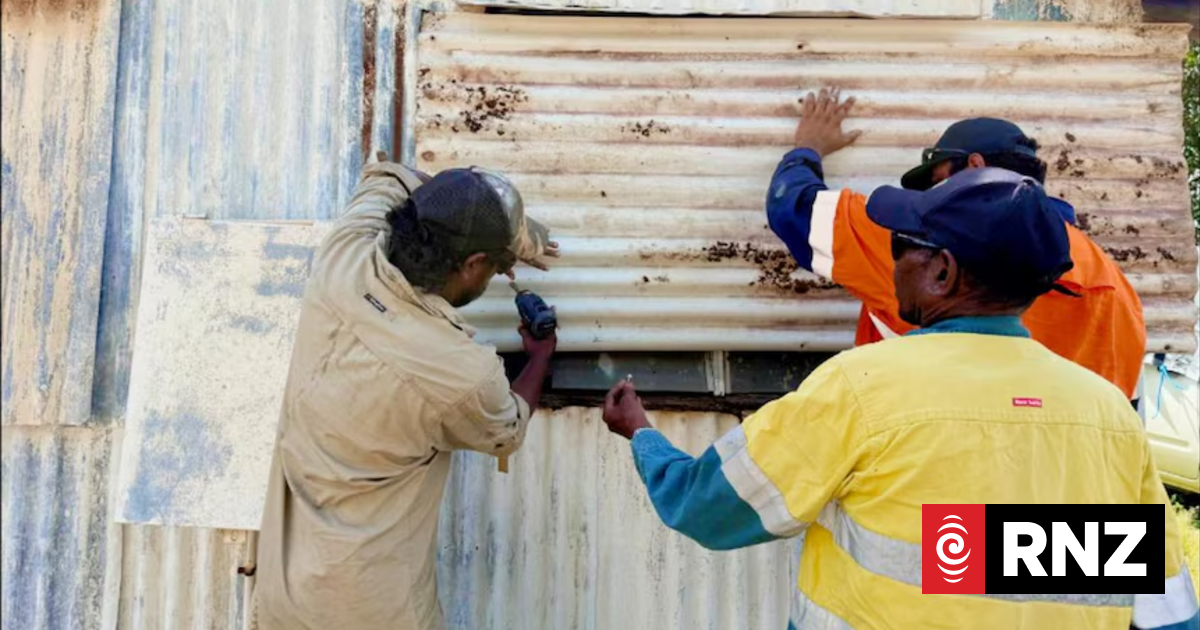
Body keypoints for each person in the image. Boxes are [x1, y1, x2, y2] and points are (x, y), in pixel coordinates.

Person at [601, 168, 1197, 630]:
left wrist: (643, 436)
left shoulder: (862, 391)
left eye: (903, 243)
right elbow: (1165, 611)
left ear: (942, 272)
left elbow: (708, 506)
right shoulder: (1110, 418)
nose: (892, 259)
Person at [255, 156, 560, 630]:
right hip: (374, 612)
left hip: (284, 598)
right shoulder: (460, 373)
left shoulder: (344, 257)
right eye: (494, 266)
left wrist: (479, 212)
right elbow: (507, 429)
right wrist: (539, 356)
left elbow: (388, 174)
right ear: (473, 263)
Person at [766, 88, 1146, 405]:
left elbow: (795, 208)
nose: (932, 197)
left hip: (948, 477)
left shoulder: (929, 241)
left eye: (937, 181)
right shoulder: (1116, 289)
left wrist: (807, 149)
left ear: (975, 165)